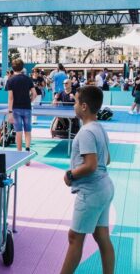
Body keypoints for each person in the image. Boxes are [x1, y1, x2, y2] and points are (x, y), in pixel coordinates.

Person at [61, 86, 114, 274]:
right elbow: (106, 159)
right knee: (102, 236)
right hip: (105, 188)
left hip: (92, 192)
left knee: (74, 237)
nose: (74, 105)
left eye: (75, 101)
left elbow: (91, 165)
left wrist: (70, 175)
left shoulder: (85, 132)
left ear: (84, 106)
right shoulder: (100, 128)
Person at [7, 58, 37, 164]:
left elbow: (11, 98)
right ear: (22, 67)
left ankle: (19, 155)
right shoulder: (28, 79)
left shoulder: (10, 80)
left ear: (12, 67)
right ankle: (27, 152)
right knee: (27, 132)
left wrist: (10, 112)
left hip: (15, 109)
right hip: (27, 108)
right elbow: (34, 94)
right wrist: (30, 100)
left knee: (18, 132)